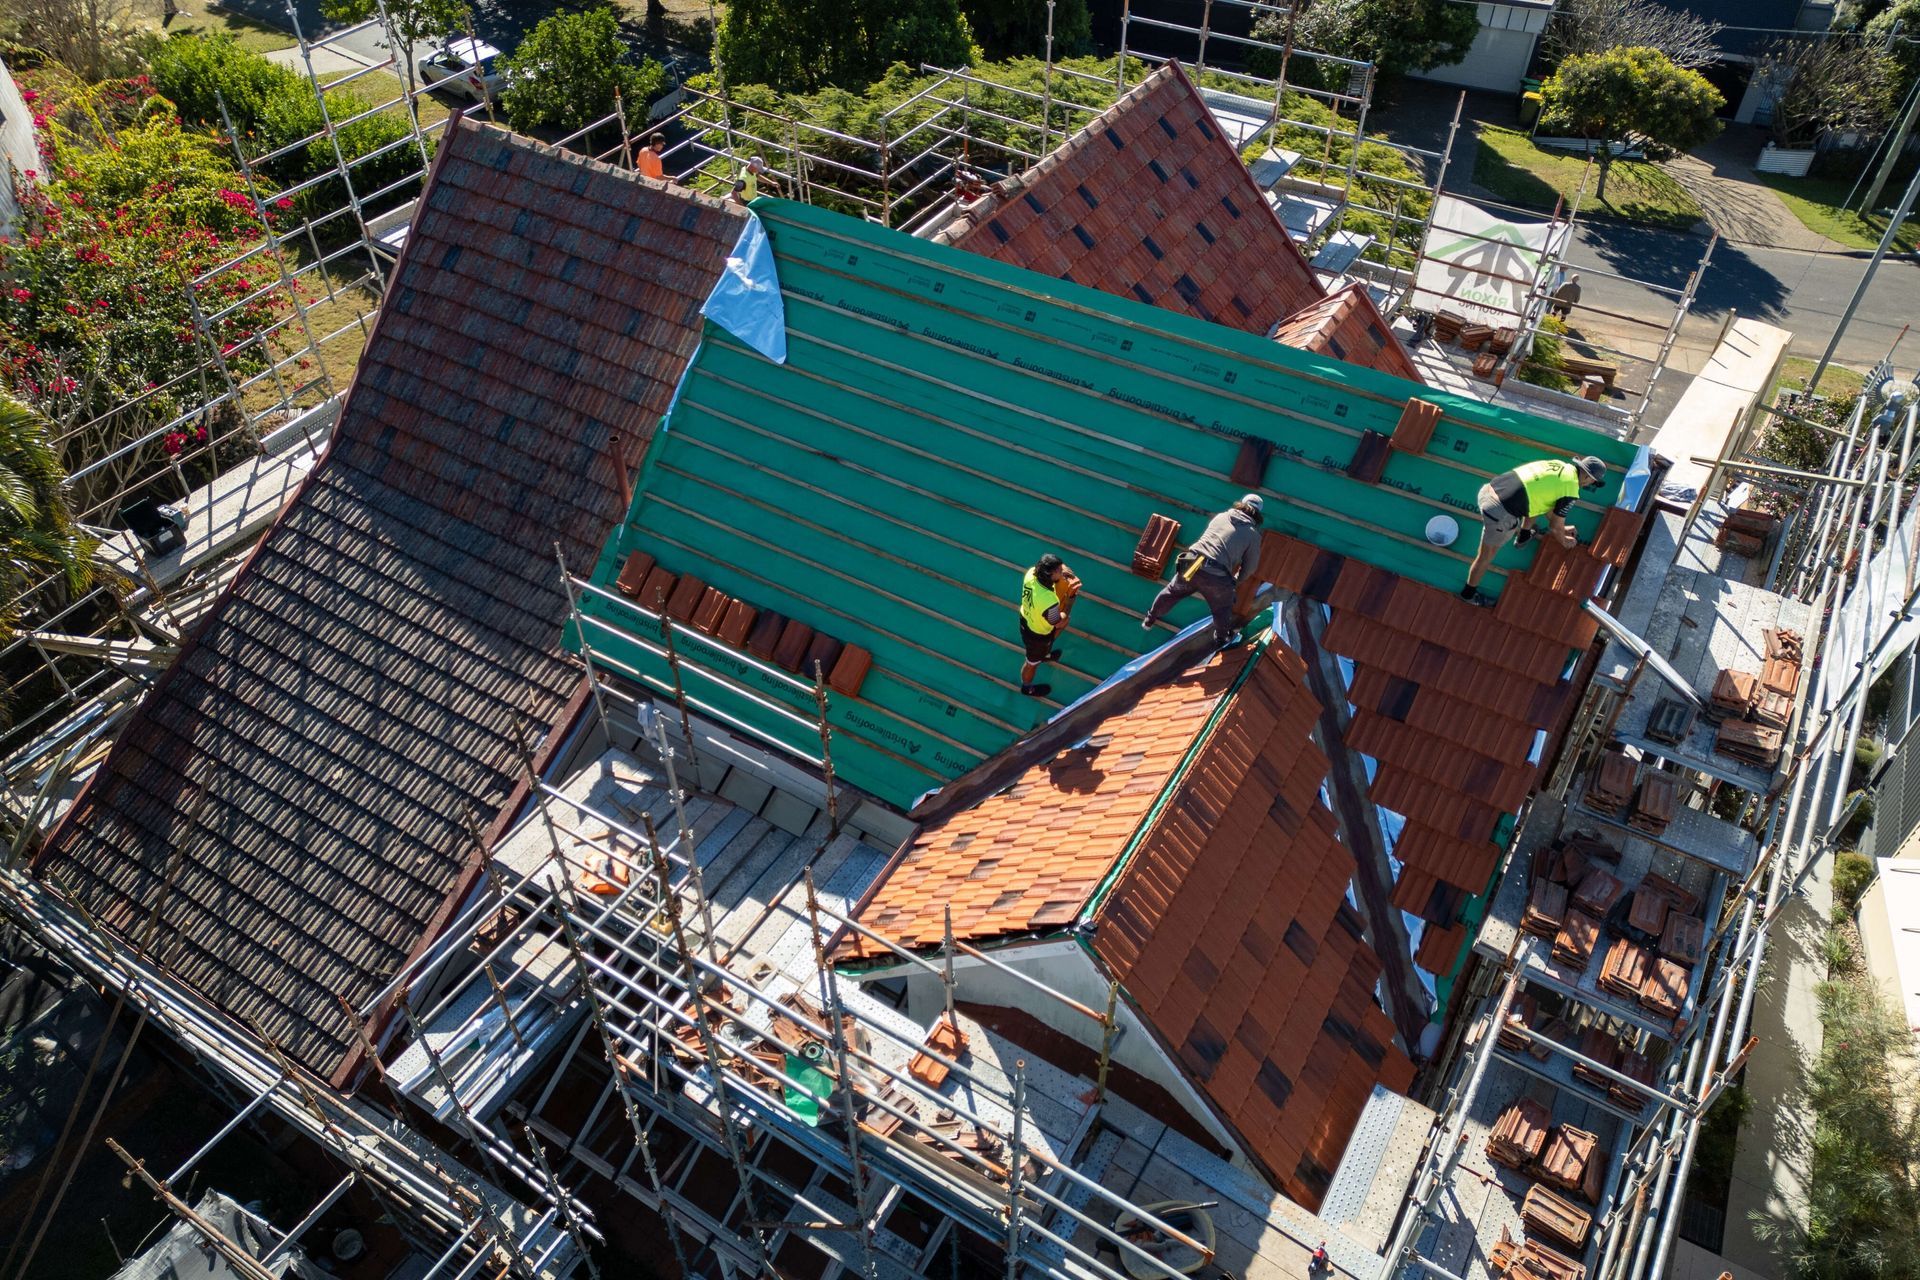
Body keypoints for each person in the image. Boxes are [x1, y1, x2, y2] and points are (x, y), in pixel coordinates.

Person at [1461, 456, 1608, 606]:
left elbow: (1545, 502)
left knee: (1541, 497)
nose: (1591, 484)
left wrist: (1562, 527)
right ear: (1586, 476)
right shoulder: (1571, 489)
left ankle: (1524, 535)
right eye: (1593, 481)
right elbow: (1554, 528)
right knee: (1485, 556)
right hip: (1499, 511)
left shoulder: (1559, 465)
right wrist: (1565, 541)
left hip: (1488, 490)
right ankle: (1468, 594)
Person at [1143, 494, 1264, 647]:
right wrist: (1236, 581)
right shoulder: (1253, 535)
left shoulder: (1221, 517)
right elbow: (1250, 568)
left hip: (1193, 563)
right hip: (1217, 575)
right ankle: (1221, 639)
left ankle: (1150, 619)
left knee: (1172, 592)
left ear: (1241, 504)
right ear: (1258, 514)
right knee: (1222, 609)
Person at [1017, 553, 1080, 697]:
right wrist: (1071, 599)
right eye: (1058, 570)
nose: (1062, 571)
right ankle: (1027, 687)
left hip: (1026, 619)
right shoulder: (1049, 600)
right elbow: (1057, 622)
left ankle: (1042, 655)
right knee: (1031, 664)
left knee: (1042, 648)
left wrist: (1061, 571)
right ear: (1049, 574)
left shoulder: (1031, 574)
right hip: (1037, 635)